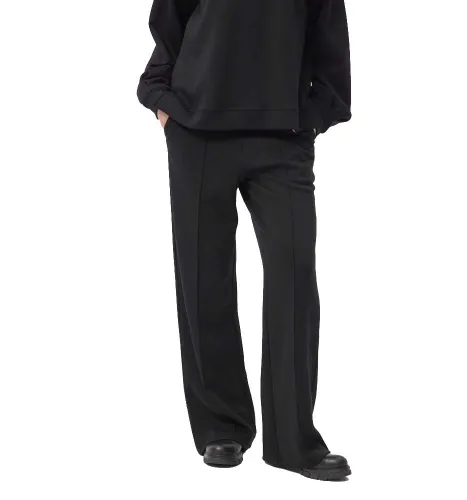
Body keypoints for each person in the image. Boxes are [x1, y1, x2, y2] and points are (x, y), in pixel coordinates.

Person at [137, 0, 352, 481]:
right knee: (204, 277)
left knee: (294, 273)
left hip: (283, 137)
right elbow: (169, 23)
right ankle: (222, 425)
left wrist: (314, 113)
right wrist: (166, 103)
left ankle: (294, 440)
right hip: (197, 128)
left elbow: (329, 34)